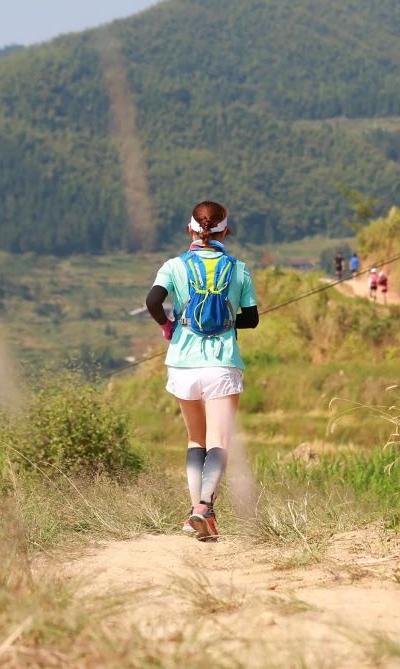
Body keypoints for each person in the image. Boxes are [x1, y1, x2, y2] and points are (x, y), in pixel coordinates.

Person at [146, 200, 258, 542]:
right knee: (218, 442)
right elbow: (251, 319)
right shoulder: (238, 269)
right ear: (225, 230)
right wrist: (227, 321)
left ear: (190, 230)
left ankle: (196, 511)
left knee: (196, 439)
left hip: (182, 363)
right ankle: (203, 508)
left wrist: (169, 325)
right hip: (221, 364)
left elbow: (153, 300)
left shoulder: (173, 266)